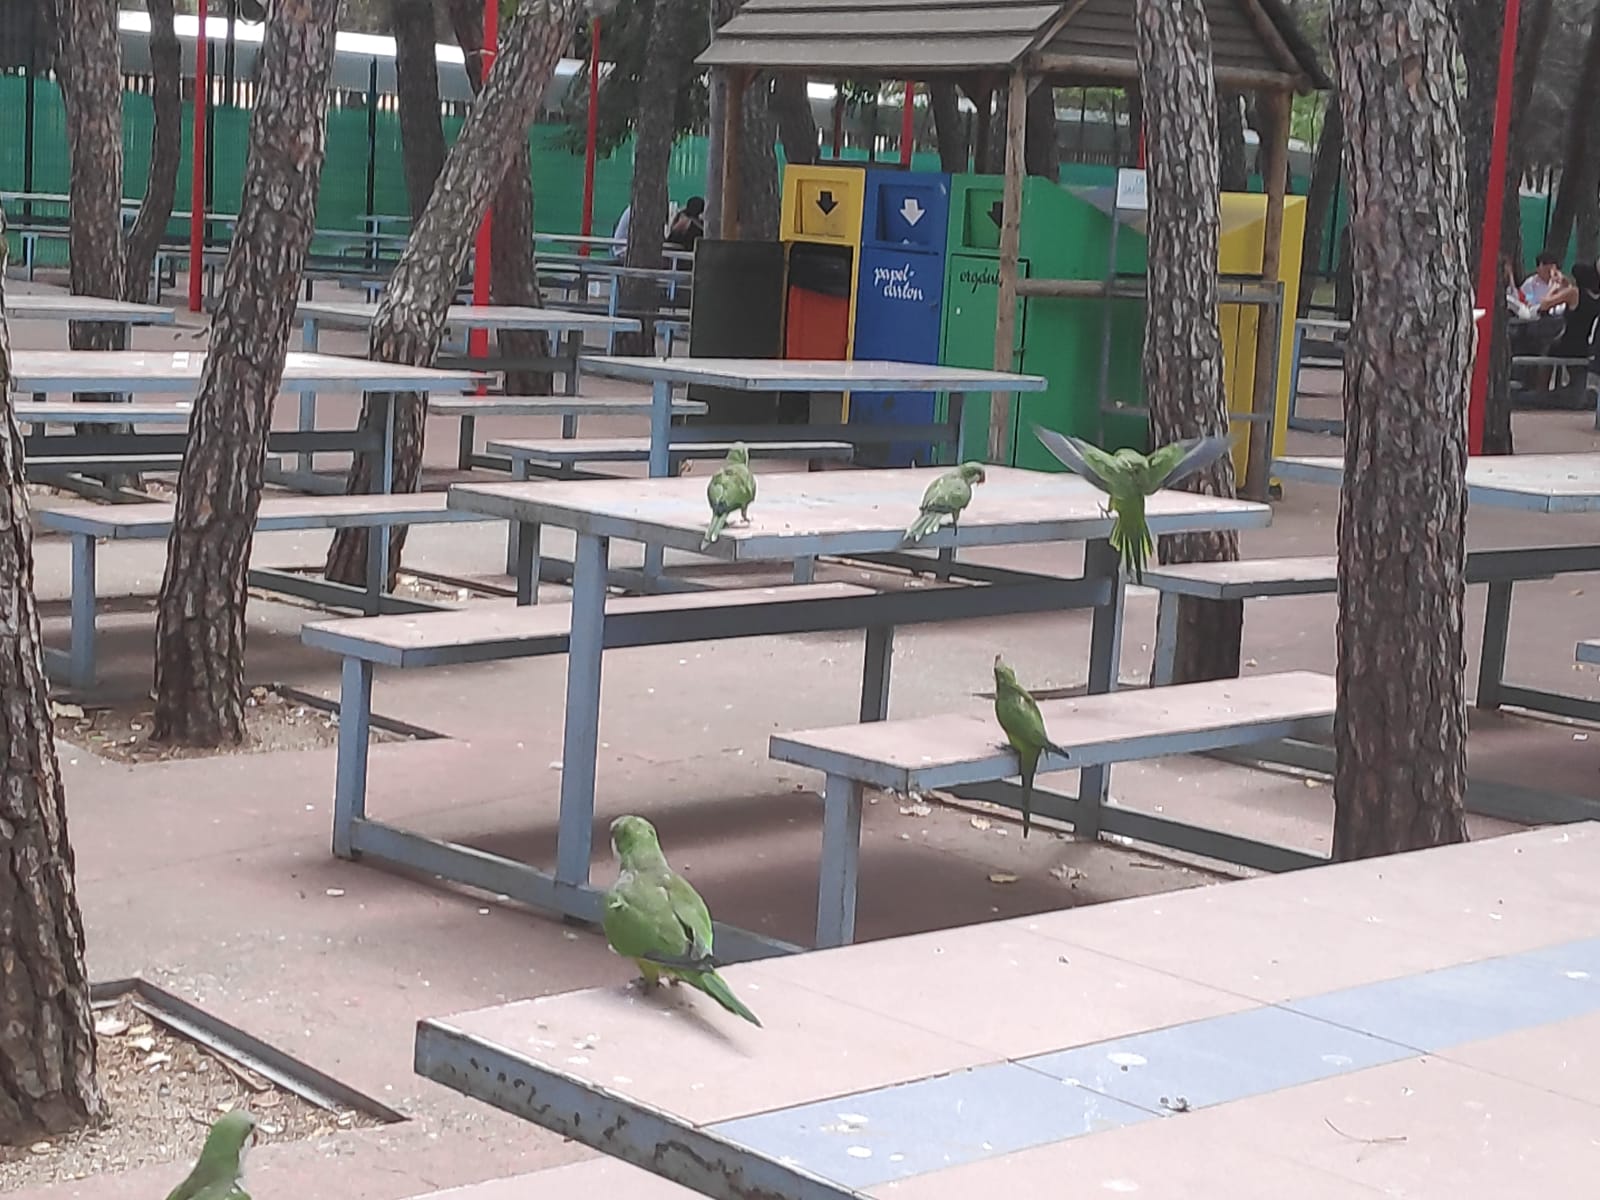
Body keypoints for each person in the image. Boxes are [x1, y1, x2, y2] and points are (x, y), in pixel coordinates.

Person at [1552, 261, 1600, 359]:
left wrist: (1554, 287)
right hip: (1586, 346)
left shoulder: (1574, 293)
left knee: (1546, 348)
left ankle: (1543, 374)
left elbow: (1544, 304)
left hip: (1567, 344)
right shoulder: (1595, 298)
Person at [1521, 250, 1577, 316]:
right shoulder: (1530, 283)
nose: (1547, 272)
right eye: (1544, 267)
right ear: (1538, 268)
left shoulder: (1560, 281)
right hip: (1539, 315)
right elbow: (1529, 302)